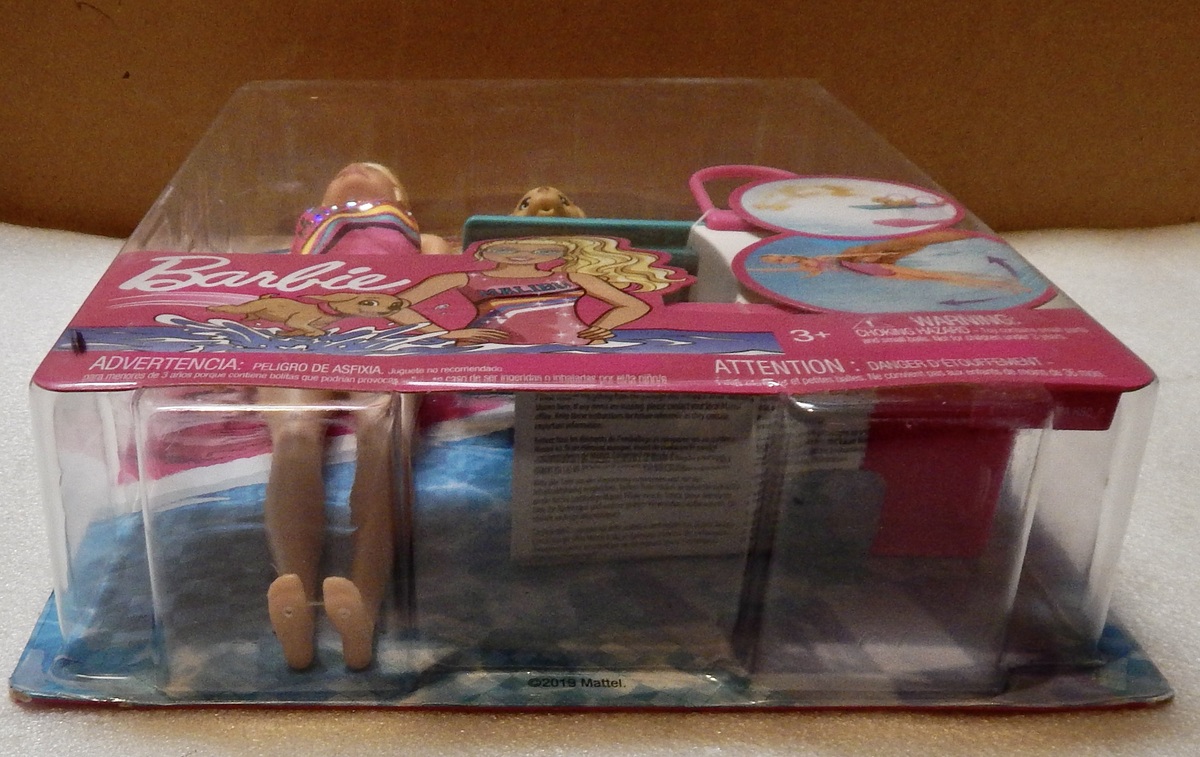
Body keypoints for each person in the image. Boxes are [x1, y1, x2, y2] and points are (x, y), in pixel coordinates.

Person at [261, 162, 445, 670]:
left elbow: (447, 291)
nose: (355, 167)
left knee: (383, 431)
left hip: (387, 325)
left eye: (378, 170)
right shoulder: (297, 242)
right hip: (301, 326)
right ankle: (293, 596)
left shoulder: (423, 238)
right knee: (294, 435)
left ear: (400, 198)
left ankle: (362, 605)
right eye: (338, 174)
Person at [395, 236, 682, 346]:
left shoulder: (573, 276)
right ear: (483, 252)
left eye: (542, 251)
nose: (523, 254)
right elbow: (391, 305)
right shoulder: (464, 277)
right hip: (487, 352)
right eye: (504, 249)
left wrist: (603, 327)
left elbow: (635, 305)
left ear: (556, 254)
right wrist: (445, 333)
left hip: (568, 352)